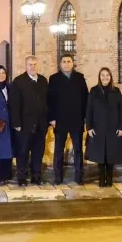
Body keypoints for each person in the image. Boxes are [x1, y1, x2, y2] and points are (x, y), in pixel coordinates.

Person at [47, 53, 89, 185]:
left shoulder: (79, 78)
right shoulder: (54, 79)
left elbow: (85, 98)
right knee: (59, 150)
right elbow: (50, 100)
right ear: (60, 64)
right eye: (64, 61)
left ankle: (78, 177)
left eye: (69, 61)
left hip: (77, 120)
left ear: (72, 63)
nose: (66, 64)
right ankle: (58, 177)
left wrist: (85, 118)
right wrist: (52, 118)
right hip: (60, 121)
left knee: (78, 150)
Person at [10, 56, 49, 186]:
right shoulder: (18, 81)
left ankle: (36, 176)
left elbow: (47, 102)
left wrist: (47, 121)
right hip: (24, 125)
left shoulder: (43, 81)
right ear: (26, 66)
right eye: (30, 65)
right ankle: (21, 177)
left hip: (40, 125)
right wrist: (16, 123)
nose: (32, 67)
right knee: (23, 152)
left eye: (34, 64)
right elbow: (14, 104)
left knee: (38, 152)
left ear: (38, 66)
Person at [85, 67, 122, 187]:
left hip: (113, 129)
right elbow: (89, 110)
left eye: (107, 75)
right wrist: (89, 127)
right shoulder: (93, 91)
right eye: (103, 75)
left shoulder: (116, 91)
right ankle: (101, 180)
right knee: (100, 156)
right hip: (98, 128)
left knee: (111, 156)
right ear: (99, 77)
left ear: (110, 77)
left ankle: (110, 180)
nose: (105, 77)